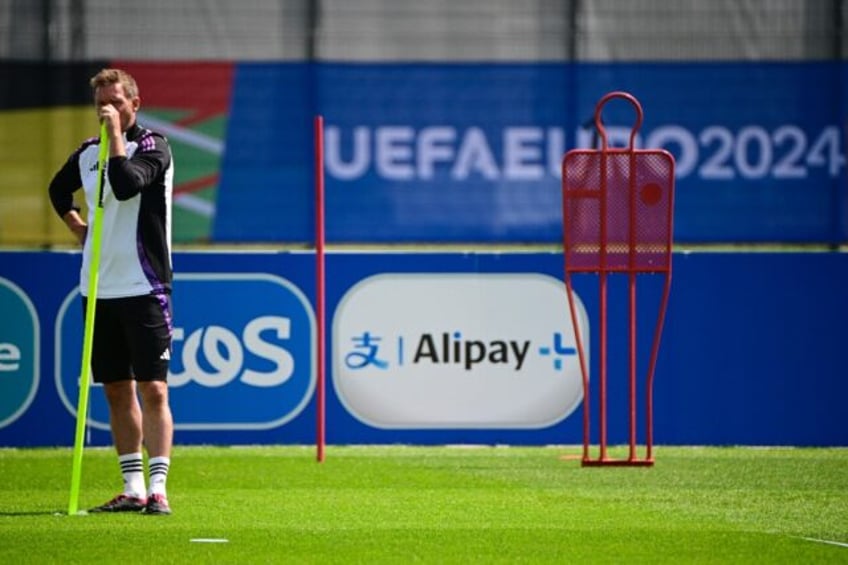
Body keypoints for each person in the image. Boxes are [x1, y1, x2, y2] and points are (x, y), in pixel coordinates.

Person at [48, 68, 175, 515]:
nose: (107, 110)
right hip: (98, 288)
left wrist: (115, 134)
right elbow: (57, 191)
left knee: (153, 389)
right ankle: (132, 487)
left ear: (133, 105)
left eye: (116, 102)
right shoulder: (85, 154)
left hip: (144, 285)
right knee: (116, 390)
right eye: (101, 103)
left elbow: (124, 185)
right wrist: (79, 230)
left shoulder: (153, 146)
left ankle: (158, 489)